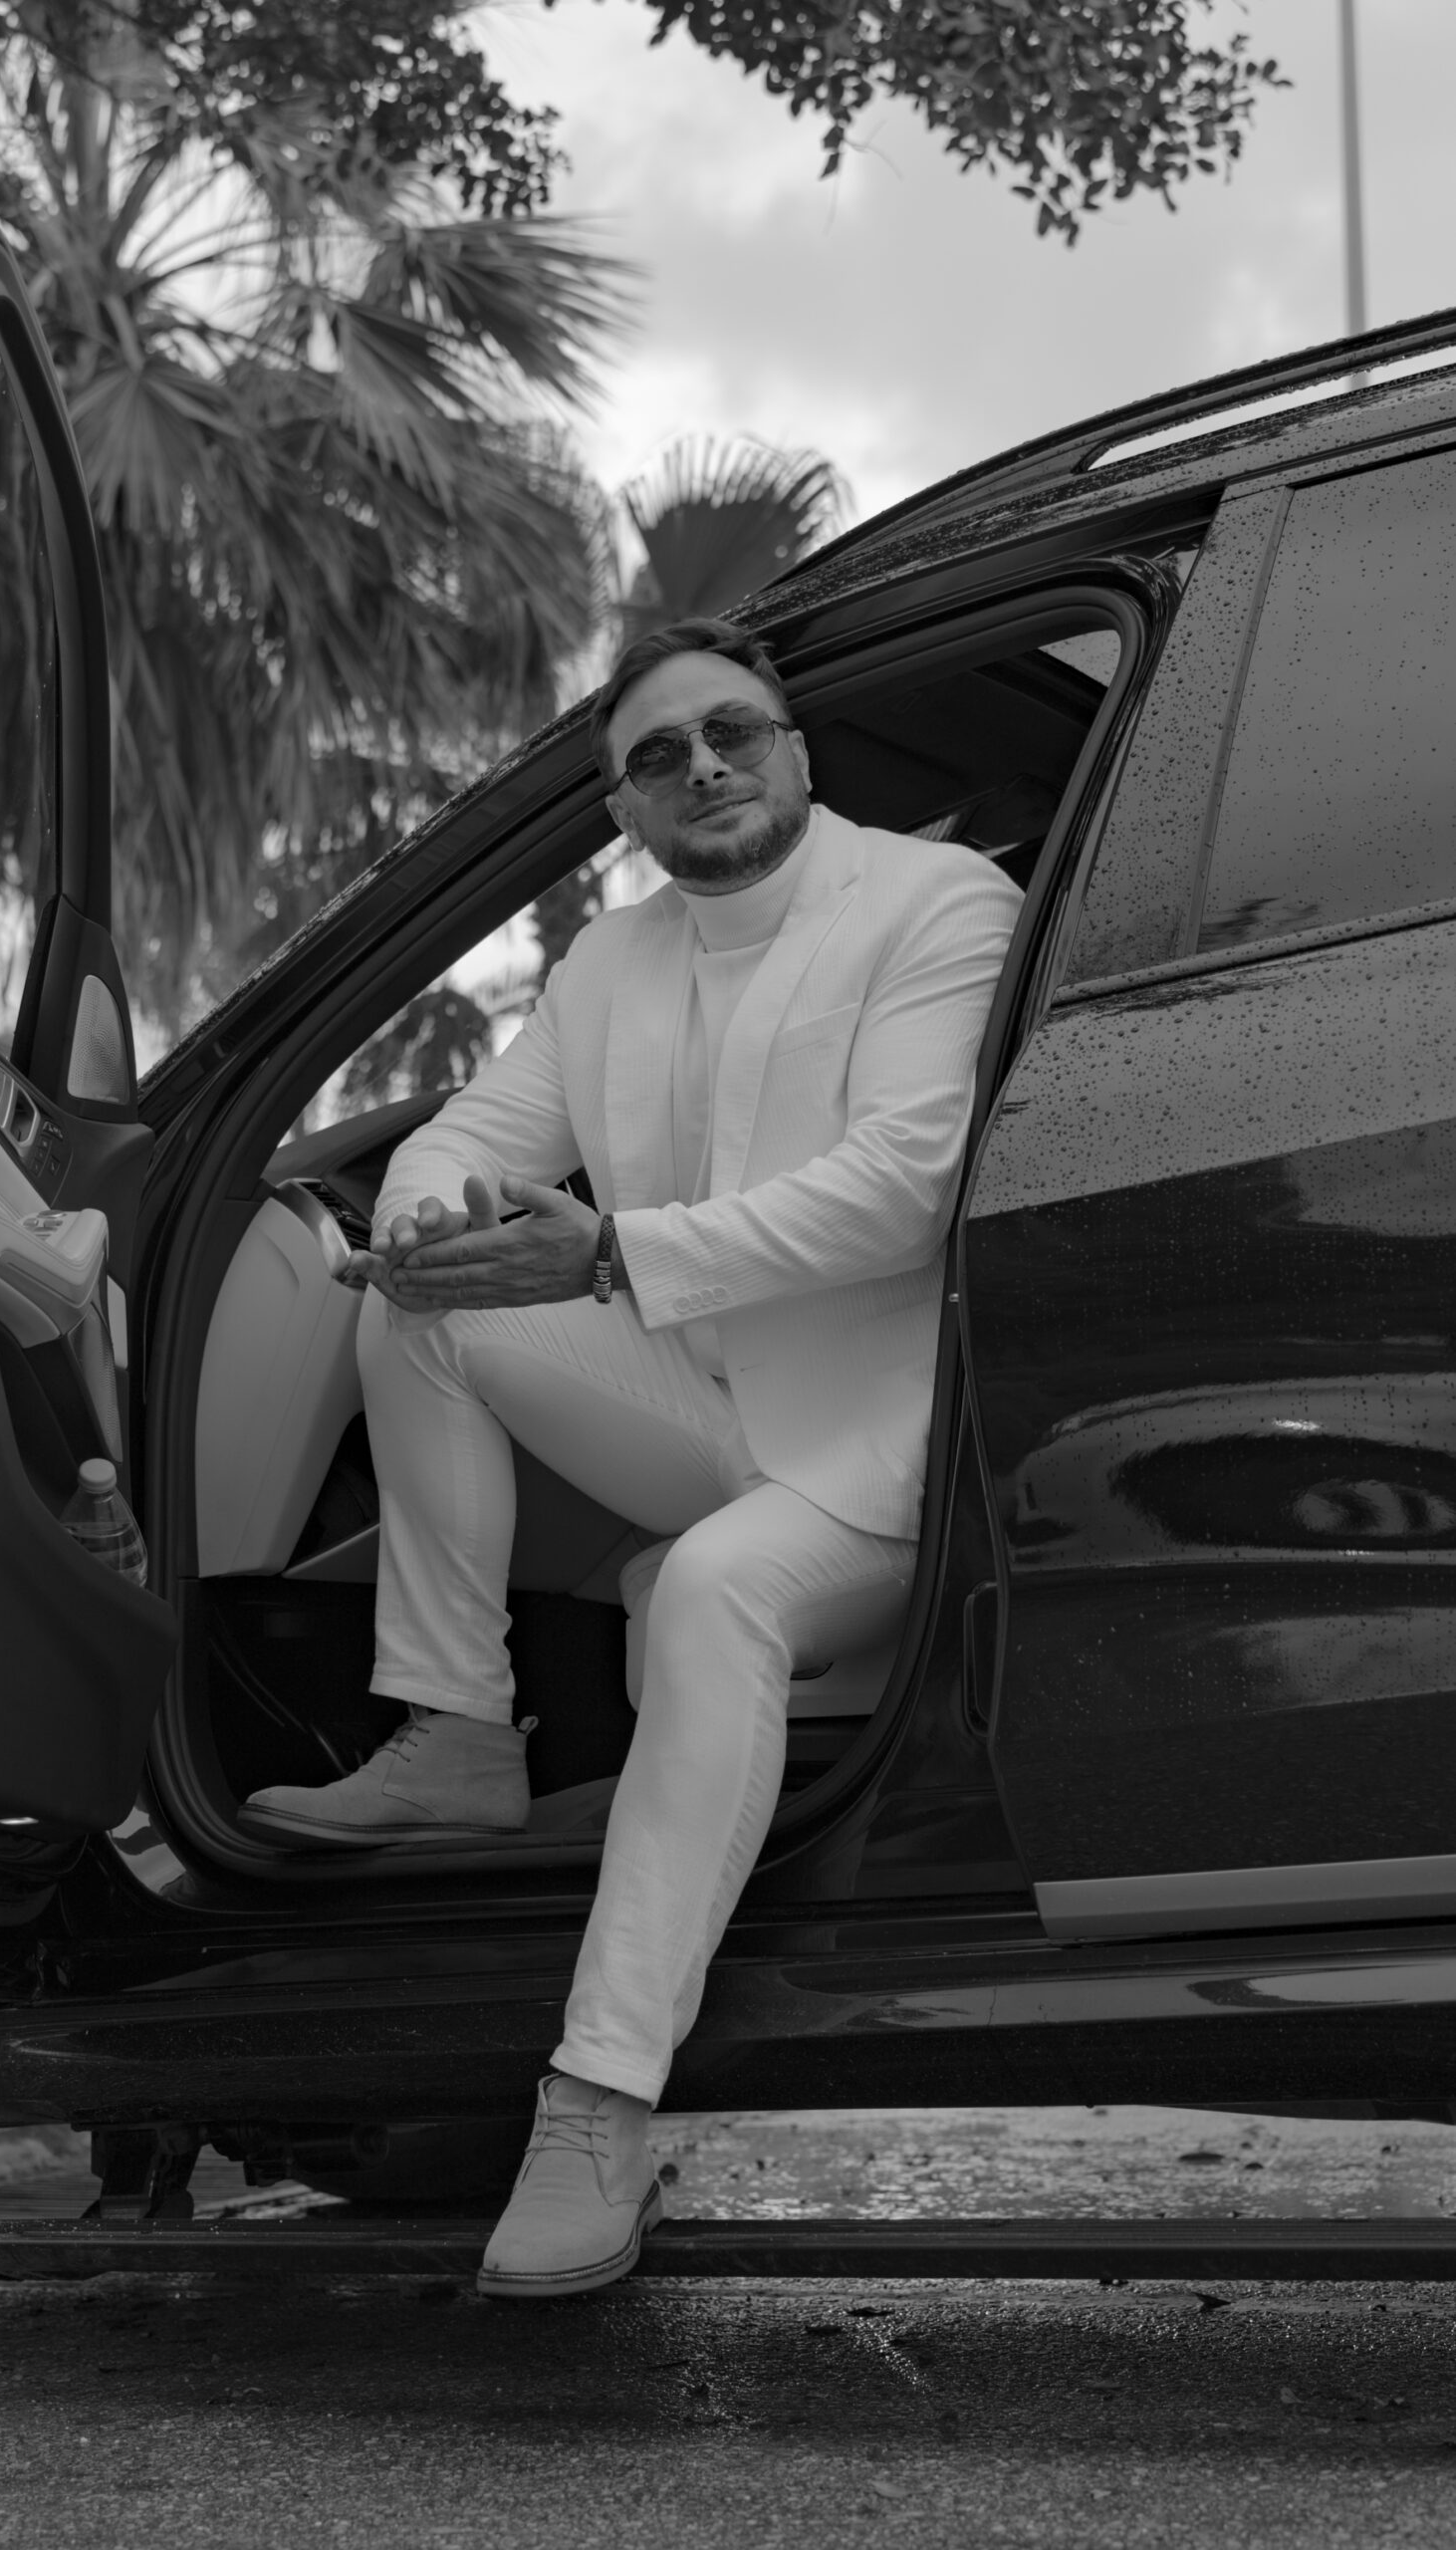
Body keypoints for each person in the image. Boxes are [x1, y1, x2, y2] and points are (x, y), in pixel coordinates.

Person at [242, 617, 1022, 2298]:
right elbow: (470, 1135)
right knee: (422, 1307)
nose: (703, 768)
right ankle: (456, 1729)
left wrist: (602, 1253)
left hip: (881, 1458)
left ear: (794, 750)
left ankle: (594, 2102)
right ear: (622, 807)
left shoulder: (935, 901)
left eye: (732, 732)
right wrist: (434, 1225)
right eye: (658, 756)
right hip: (710, 1413)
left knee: (714, 1592)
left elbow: (904, 1188)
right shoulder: (608, 963)